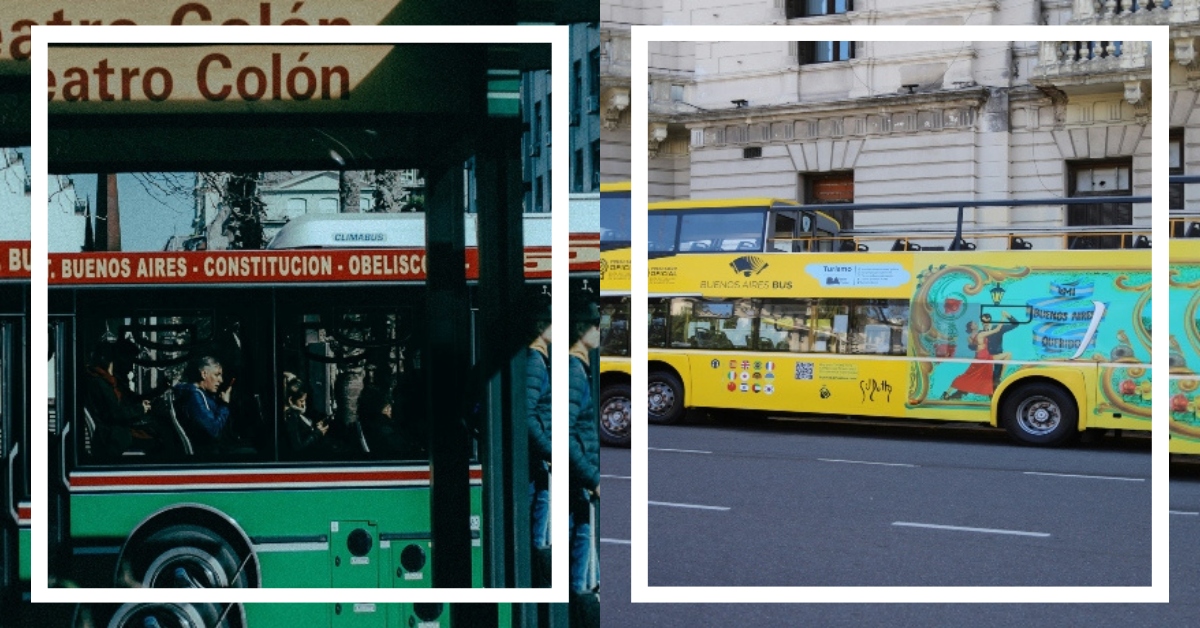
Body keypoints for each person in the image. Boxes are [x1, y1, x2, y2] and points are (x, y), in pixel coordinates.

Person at [568, 300, 601, 598]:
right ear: (581, 329)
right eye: (598, 326)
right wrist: (592, 478)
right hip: (580, 481)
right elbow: (563, 435)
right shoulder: (575, 372)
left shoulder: (579, 368)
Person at [82, 340, 154, 458]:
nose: (130, 367)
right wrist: (140, 409)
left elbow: (129, 400)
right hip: (112, 437)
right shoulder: (99, 383)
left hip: (113, 432)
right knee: (159, 442)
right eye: (128, 361)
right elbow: (116, 413)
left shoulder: (104, 381)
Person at [526, 304, 553, 586]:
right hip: (540, 460)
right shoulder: (535, 360)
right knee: (541, 533)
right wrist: (550, 450)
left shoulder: (538, 358)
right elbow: (528, 415)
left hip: (538, 458)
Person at [173, 355, 232, 452]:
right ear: (204, 374)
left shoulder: (197, 393)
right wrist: (224, 405)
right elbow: (213, 430)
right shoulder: (194, 396)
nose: (221, 380)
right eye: (217, 375)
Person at [942, 321, 1011, 400]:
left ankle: (947, 392)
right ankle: (1001, 377)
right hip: (984, 357)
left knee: (969, 375)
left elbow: (973, 347)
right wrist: (1002, 319)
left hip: (980, 356)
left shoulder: (970, 337)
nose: (976, 324)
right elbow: (996, 330)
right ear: (971, 327)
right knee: (1007, 356)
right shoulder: (980, 334)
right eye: (974, 324)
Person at [282, 373, 332, 458]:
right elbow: (298, 446)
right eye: (301, 401)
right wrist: (318, 433)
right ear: (290, 400)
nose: (304, 404)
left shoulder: (298, 414)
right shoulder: (291, 417)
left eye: (305, 400)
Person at [980, 311, 1018, 387]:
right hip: (986, 359)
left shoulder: (998, 328)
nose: (984, 323)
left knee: (996, 378)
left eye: (985, 321)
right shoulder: (981, 332)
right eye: (982, 321)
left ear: (989, 320)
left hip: (998, 357)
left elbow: (1015, 324)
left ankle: (1000, 379)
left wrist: (1008, 316)